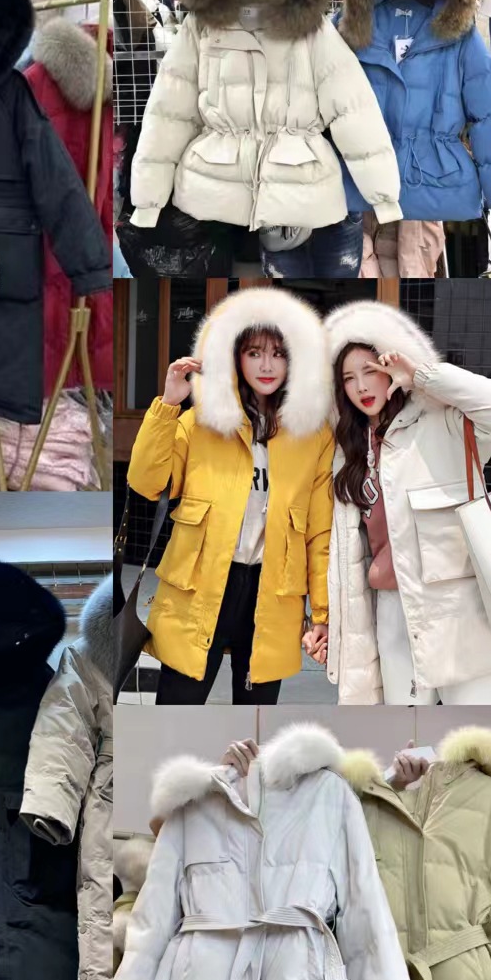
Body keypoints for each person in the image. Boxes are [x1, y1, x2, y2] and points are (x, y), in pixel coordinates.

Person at [126, 288, 334, 703]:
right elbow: (146, 482)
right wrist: (168, 404)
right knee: (176, 710)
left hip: (272, 593)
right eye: (255, 353)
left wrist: (323, 613)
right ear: (235, 357)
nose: (267, 365)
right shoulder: (202, 423)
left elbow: (319, 534)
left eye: (278, 354)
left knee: (254, 717)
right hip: (200, 587)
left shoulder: (314, 435)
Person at [318, 301, 491, 705]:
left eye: (370, 371)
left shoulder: (443, 424)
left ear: (390, 368)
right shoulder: (348, 452)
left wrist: (420, 375)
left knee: (471, 730)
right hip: (392, 610)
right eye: (348, 379)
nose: (361, 387)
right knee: (408, 732)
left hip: (457, 609)